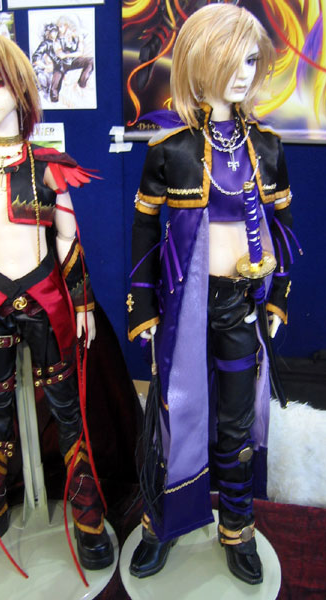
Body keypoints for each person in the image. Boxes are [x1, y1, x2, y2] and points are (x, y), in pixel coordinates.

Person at [0, 32, 113, 570]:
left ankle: (84, 502)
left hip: (46, 300)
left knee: (67, 408)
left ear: (20, 87)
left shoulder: (48, 164)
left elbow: (68, 239)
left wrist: (81, 303)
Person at [128, 4, 296, 586]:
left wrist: (278, 298)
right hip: (183, 310)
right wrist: (144, 307)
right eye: (230, 60)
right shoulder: (169, 150)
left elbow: (284, 230)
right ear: (199, 64)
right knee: (174, 416)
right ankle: (164, 522)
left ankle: (237, 527)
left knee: (236, 422)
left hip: (243, 307)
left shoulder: (268, 148)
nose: (244, 73)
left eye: (251, 60)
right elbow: (145, 233)